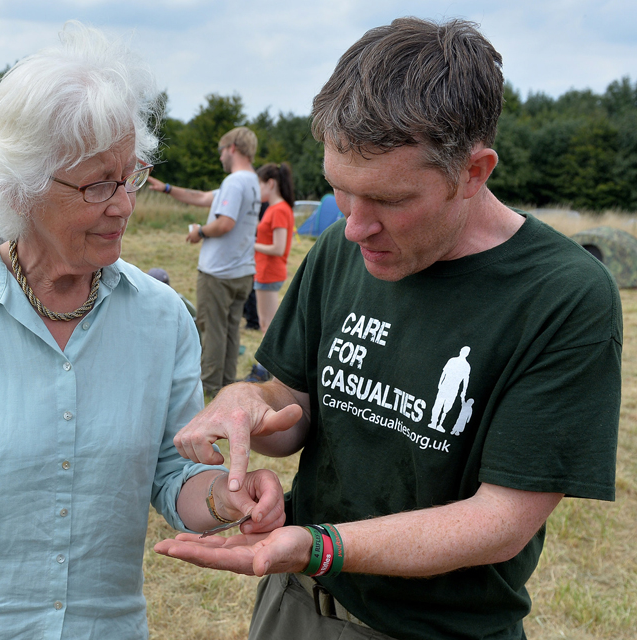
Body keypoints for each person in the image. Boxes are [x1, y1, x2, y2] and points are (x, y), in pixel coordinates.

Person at [155, 17, 622, 640]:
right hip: (293, 606)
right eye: (341, 191)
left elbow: (500, 519)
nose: (353, 227)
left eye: (391, 200)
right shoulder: (344, 251)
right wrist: (246, 404)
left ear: (474, 171)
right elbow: (290, 405)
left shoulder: (562, 297)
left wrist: (319, 547)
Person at [0, 23, 284, 640]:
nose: (124, 204)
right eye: (99, 184)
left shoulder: (161, 319)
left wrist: (229, 498)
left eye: (132, 176)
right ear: (24, 187)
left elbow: (170, 474)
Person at [148, 126, 261, 397]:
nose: (221, 157)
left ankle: (209, 387)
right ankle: (226, 382)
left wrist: (199, 232)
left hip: (219, 272)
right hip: (242, 270)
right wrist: (166, 188)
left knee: (211, 329)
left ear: (232, 148)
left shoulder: (234, 182)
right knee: (231, 330)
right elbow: (201, 198)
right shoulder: (251, 181)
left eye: (221, 151)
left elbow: (224, 223)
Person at [245, 163, 295, 382]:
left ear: (271, 183)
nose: (258, 190)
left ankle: (266, 371)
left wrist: (251, 244)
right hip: (264, 271)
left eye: (260, 185)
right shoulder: (277, 209)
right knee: (267, 323)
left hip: (269, 272)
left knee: (268, 325)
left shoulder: (279, 210)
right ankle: (266, 369)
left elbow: (279, 247)